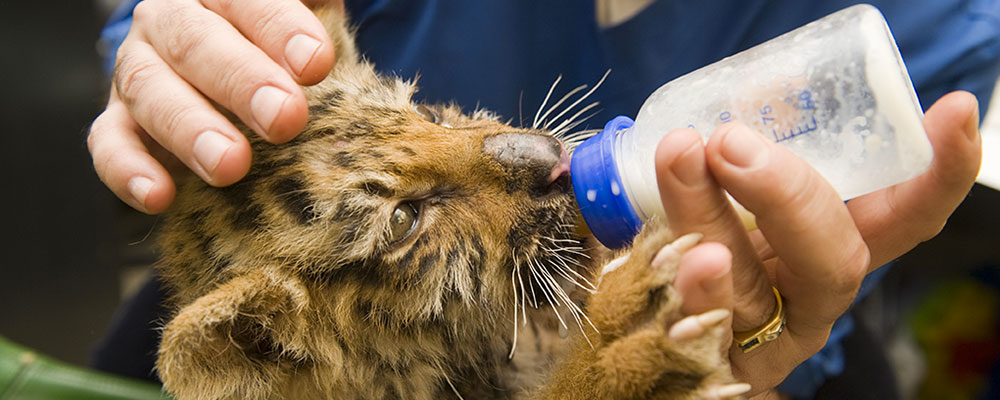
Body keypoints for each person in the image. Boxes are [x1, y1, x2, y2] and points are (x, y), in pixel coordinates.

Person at [88, 0, 999, 398]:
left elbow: (752, 322)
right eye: (407, 215)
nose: (519, 150)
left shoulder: (944, 20)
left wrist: (720, 341)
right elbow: (185, 35)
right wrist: (170, 51)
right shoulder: (265, 341)